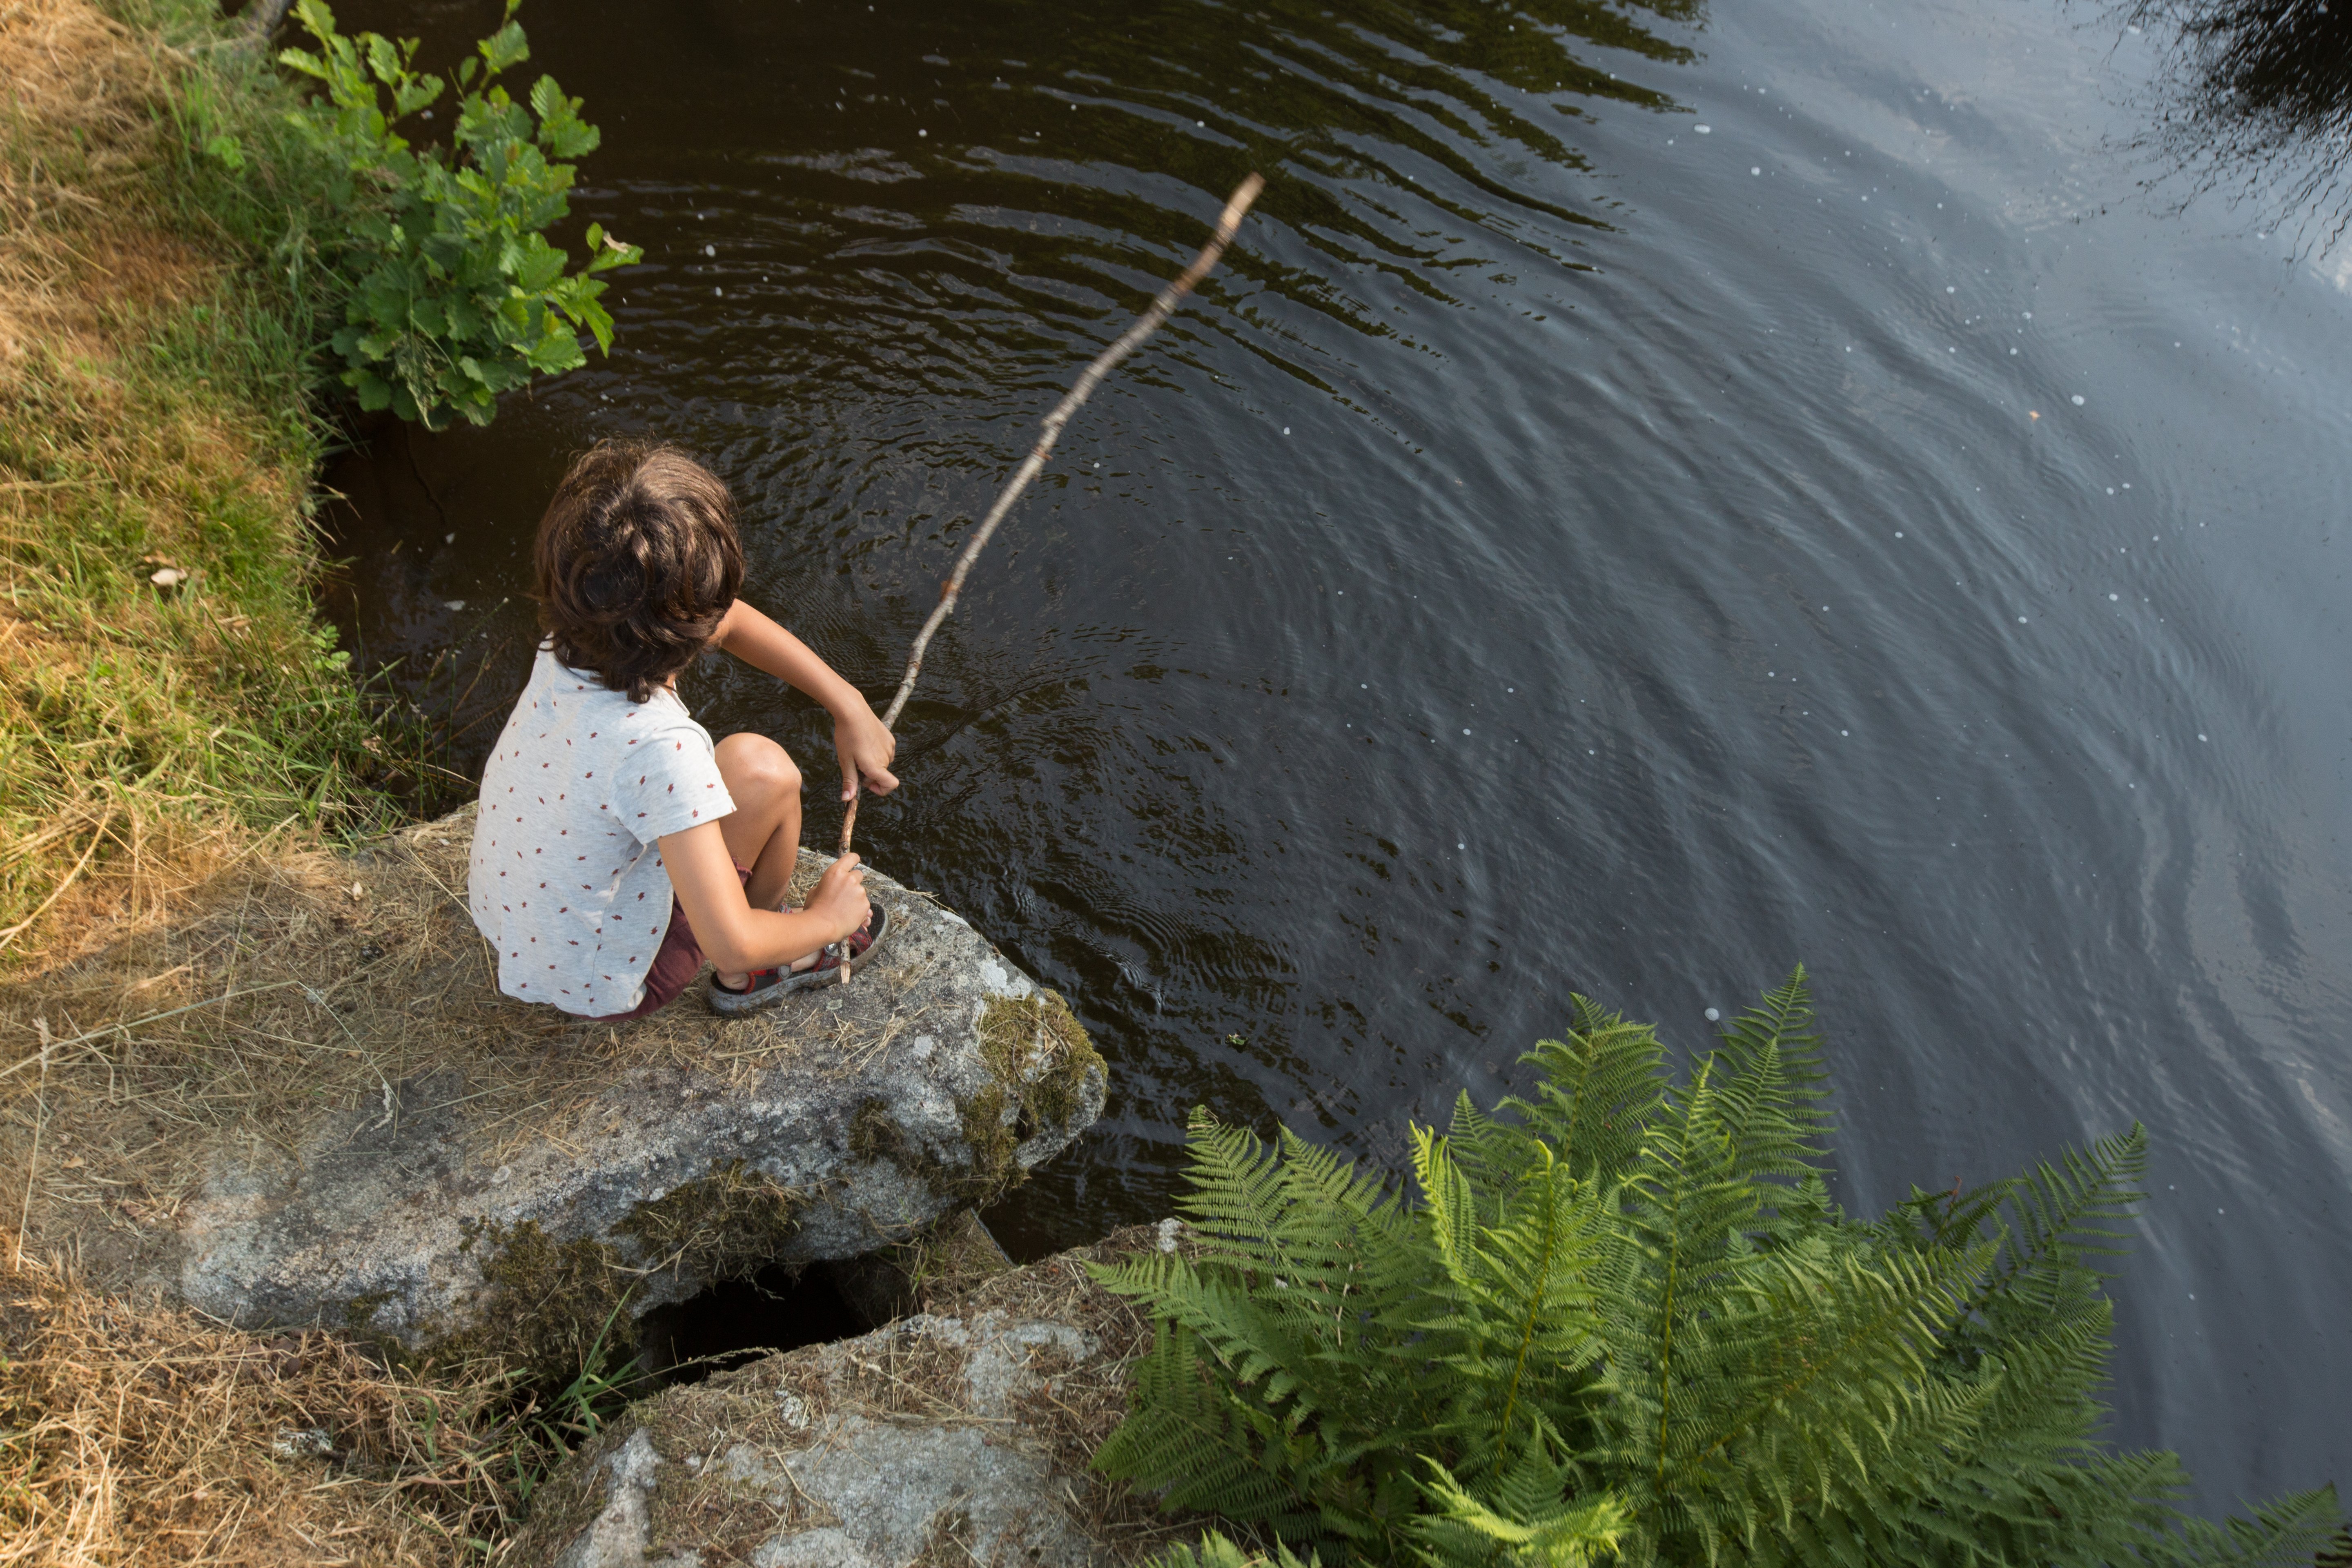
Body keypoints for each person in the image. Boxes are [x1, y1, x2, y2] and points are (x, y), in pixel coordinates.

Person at [467, 441, 897, 1020]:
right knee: (765, 773)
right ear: (693, 622)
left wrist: (846, 702)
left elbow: (731, 619)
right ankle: (756, 975)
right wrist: (830, 919)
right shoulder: (661, 748)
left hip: (522, 934)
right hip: (606, 982)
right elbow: (730, 938)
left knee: (745, 766)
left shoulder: (570, 641)